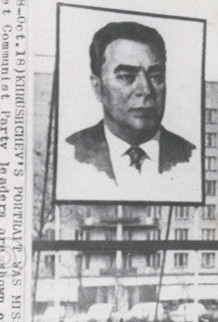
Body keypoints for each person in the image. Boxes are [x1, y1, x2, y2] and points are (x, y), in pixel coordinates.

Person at [64, 21, 196, 199]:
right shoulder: (71, 152)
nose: (146, 90)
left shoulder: (190, 155)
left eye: (156, 77)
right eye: (127, 77)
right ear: (98, 87)